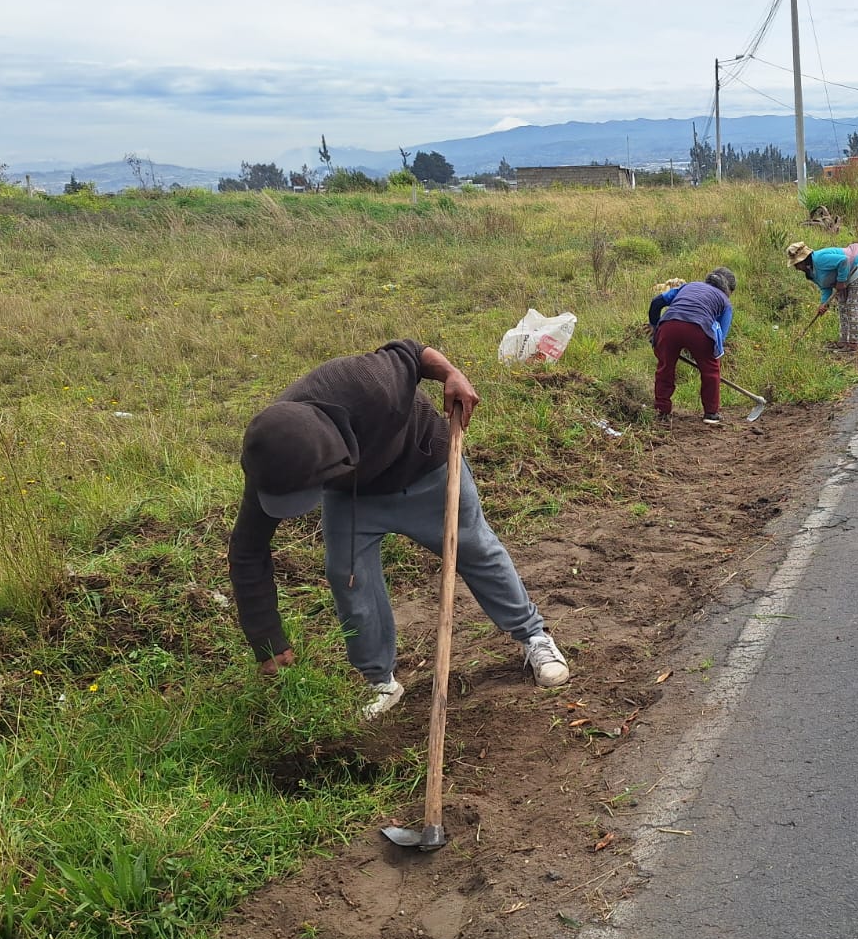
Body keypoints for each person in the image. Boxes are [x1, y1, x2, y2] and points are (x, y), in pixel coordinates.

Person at [229, 339, 570, 719]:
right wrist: (267, 641)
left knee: (476, 549)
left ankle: (534, 637)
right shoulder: (271, 457)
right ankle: (380, 681)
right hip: (353, 498)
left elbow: (411, 351)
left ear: (327, 457)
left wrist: (451, 373)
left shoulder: (369, 384)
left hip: (425, 469)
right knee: (348, 576)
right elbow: (248, 551)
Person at [649, 267, 737, 425]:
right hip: (699, 329)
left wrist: (655, 328)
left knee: (665, 368)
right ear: (728, 289)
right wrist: (708, 356)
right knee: (711, 371)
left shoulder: (688, 286)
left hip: (669, 325)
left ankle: (661, 411)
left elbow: (657, 302)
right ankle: (711, 413)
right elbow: (721, 336)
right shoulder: (725, 302)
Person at [786, 240, 858, 351]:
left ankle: (853, 344)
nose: (796, 267)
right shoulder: (811, 272)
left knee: (852, 307)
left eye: (797, 264)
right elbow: (825, 287)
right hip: (844, 277)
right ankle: (843, 341)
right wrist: (824, 304)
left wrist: (841, 280)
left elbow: (844, 261)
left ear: (804, 260)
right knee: (842, 307)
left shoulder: (819, 259)